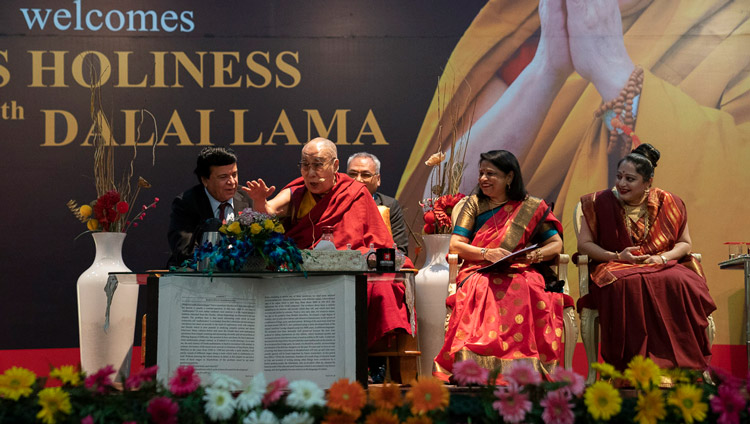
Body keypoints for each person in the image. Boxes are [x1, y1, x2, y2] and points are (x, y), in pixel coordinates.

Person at [244, 137, 414, 349]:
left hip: (350, 268)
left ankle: (364, 357)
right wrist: (260, 200)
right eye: (305, 165)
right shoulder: (297, 190)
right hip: (306, 270)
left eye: (318, 164)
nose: (310, 173)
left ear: (335, 165)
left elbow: (379, 243)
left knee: (382, 288)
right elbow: (268, 212)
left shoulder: (354, 192)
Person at [576, 143, 716, 371]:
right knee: (626, 285)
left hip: (661, 263)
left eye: (630, 179)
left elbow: (684, 243)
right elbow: (584, 245)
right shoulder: (597, 203)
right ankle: (631, 367)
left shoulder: (669, 202)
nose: (621, 184)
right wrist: (617, 255)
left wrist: (662, 258)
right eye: (619, 176)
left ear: (648, 181)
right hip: (616, 264)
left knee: (682, 282)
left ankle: (681, 367)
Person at [434, 150, 565, 382]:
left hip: (520, 269)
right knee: (482, 287)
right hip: (479, 269)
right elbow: (455, 245)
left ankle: (525, 368)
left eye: (491, 174)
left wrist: (534, 255)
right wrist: (487, 253)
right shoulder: (474, 205)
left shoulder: (531, 206)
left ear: (510, 177)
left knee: (528, 286)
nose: (483, 179)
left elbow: (556, 244)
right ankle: (476, 366)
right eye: (481, 173)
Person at [167, 147, 251, 267]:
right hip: (197, 277)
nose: (232, 182)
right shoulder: (186, 204)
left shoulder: (248, 197)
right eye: (223, 177)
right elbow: (185, 251)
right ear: (205, 180)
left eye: (234, 174)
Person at [346, 152, 409, 255]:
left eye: (365, 175)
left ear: (378, 180)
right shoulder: (336, 202)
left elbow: (400, 250)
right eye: (352, 174)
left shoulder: (389, 205)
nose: (358, 179)